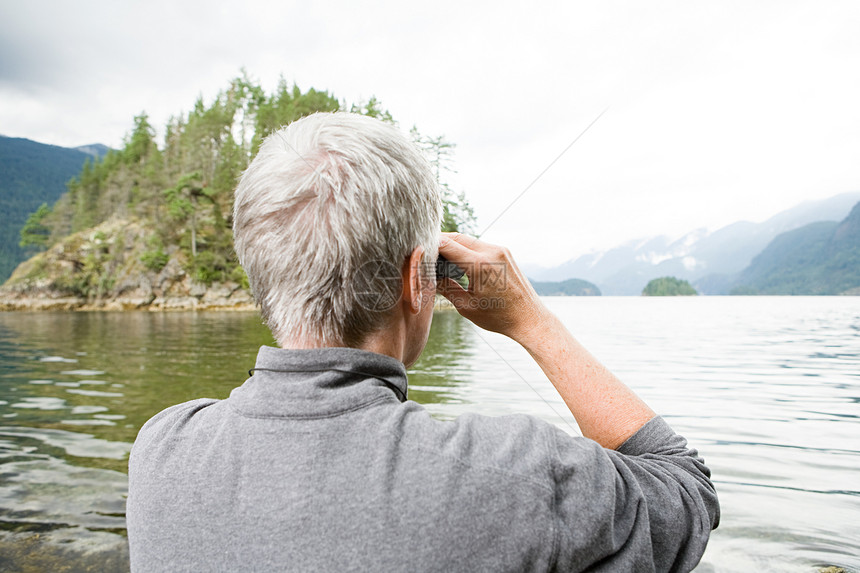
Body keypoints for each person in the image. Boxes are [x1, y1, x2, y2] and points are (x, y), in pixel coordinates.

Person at [126, 112, 719, 572]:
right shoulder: (514, 472)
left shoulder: (161, 450)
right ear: (418, 280)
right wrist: (531, 321)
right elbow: (685, 489)